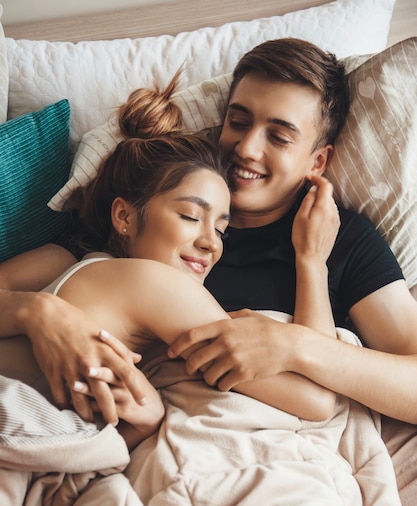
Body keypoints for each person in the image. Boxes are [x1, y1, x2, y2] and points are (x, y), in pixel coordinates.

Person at [1, 37, 417, 424]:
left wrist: (306, 295)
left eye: (278, 136)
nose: (247, 148)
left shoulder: (340, 239)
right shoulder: (142, 221)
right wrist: (39, 312)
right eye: (238, 121)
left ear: (317, 162)